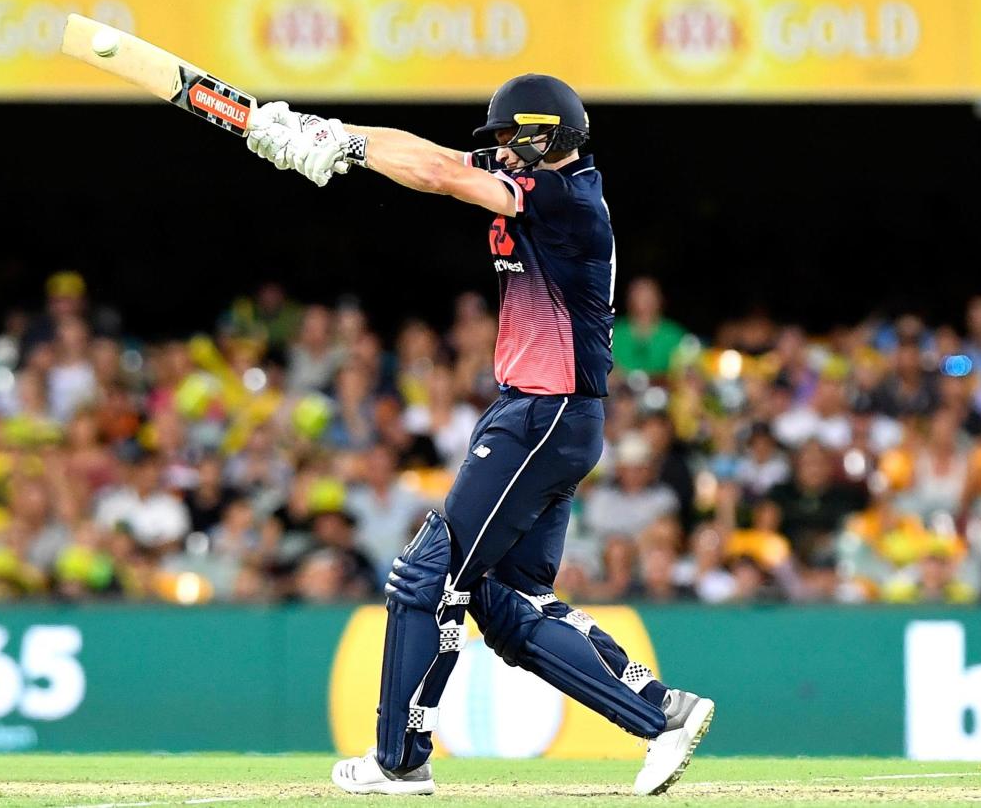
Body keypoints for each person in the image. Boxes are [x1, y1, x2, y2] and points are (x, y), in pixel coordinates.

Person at [246, 73, 712, 796]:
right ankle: (660, 714)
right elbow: (435, 159)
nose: (497, 151)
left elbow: (438, 174)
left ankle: (399, 759)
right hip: (549, 416)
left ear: (543, 134)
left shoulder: (566, 199)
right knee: (504, 603)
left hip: (542, 414)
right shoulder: (541, 180)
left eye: (507, 137)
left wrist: (349, 146)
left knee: (426, 575)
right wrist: (331, 133)